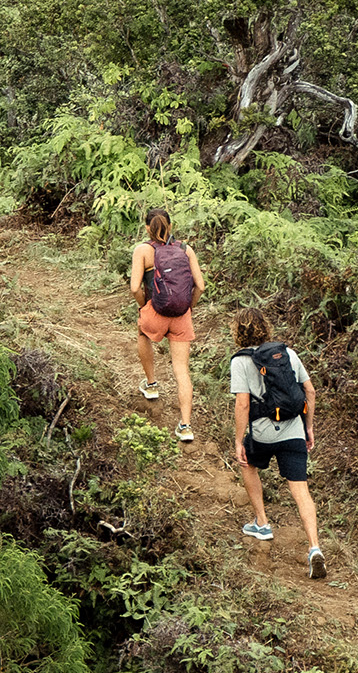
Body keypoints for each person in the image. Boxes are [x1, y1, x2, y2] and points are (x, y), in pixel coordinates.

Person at [223, 308, 325, 580]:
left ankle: (262, 523)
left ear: (238, 332)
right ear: (266, 328)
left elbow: (243, 403)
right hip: (293, 431)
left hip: (263, 435)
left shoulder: (240, 361)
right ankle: (315, 547)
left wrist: (238, 440)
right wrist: (308, 427)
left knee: (247, 463)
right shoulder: (288, 354)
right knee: (301, 490)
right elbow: (310, 391)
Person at [125, 208, 206, 441]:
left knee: (142, 333)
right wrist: (189, 307)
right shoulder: (185, 249)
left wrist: (144, 307)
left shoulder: (143, 250)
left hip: (155, 311)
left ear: (147, 227)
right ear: (171, 226)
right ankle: (186, 426)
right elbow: (200, 286)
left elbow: (134, 288)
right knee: (182, 369)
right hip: (182, 315)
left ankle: (151, 384)